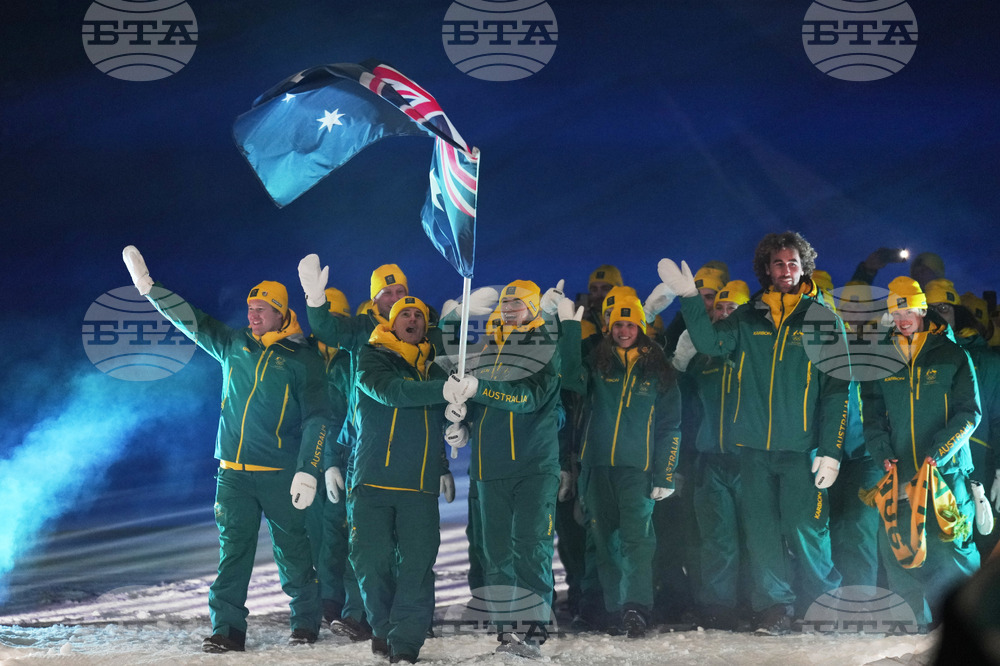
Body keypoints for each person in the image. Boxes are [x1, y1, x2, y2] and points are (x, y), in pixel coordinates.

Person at [122, 246, 329, 653]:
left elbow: (319, 418)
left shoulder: (302, 360)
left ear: (281, 313)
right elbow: (193, 321)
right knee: (233, 553)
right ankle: (228, 629)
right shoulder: (235, 346)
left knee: (294, 552)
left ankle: (305, 621)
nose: (252, 314)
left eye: (262, 308)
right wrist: (150, 289)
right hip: (233, 473)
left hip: (281, 474)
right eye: (250, 307)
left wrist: (309, 468)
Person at [656, 231, 849, 634]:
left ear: (804, 266)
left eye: (793, 263)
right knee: (761, 536)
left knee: (806, 527)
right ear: (766, 268)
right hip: (753, 450)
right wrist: (691, 299)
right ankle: (775, 608)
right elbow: (710, 340)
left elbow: (838, 388)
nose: (786, 270)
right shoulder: (746, 318)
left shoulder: (822, 319)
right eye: (778, 263)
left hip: (802, 449)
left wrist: (831, 449)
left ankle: (825, 602)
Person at [453, 279, 581, 657]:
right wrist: (460, 418)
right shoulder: (485, 348)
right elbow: (475, 397)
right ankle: (507, 629)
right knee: (496, 552)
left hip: (532, 464)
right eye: (505, 303)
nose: (509, 308)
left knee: (530, 547)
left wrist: (480, 389)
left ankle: (533, 629)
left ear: (532, 308)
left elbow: (528, 398)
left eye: (518, 303)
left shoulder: (544, 346)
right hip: (490, 467)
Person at [860, 276, 981, 629]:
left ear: (922, 309)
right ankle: (908, 622)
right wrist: (881, 451)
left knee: (951, 546)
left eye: (908, 312)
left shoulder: (952, 354)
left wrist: (938, 453)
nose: (902, 320)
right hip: (899, 470)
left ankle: (966, 623)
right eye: (896, 314)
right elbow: (871, 414)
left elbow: (969, 413)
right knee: (899, 547)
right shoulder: (881, 358)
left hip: (946, 470)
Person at [561, 294, 682, 637]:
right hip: (597, 468)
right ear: (609, 328)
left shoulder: (659, 369)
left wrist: (665, 472)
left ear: (641, 328)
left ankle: (636, 608)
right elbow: (569, 379)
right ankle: (615, 609)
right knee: (604, 541)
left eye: (630, 324)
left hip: (638, 470)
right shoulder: (597, 364)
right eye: (618, 324)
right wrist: (570, 330)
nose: (624, 330)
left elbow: (671, 425)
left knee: (637, 541)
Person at [346, 295, 454, 663]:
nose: (412, 320)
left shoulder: (438, 369)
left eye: (419, 316)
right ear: (390, 323)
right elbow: (391, 392)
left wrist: (460, 424)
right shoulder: (371, 357)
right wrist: (442, 391)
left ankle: (406, 643)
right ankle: (382, 627)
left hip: (418, 487)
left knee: (417, 567)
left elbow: (451, 412)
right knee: (371, 562)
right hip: (372, 481)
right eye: (404, 315)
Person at [672, 280, 751, 630]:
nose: (723, 313)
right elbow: (678, 407)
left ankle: (758, 603)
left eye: (732, 308)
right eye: (719, 307)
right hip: (710, 460)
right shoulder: (703, 363)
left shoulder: (759, 358)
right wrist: (679, 364)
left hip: (752, 461)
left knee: (756, 538)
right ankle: (719, 606)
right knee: (717, 540)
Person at [924, 279, 1000, 561]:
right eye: (929, 309)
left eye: (943, 308)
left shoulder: (987, 360)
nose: (936, 315)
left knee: (978, 541)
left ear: (957, 313)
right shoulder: (913, 358)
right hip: (931, 462)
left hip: (978, 462)